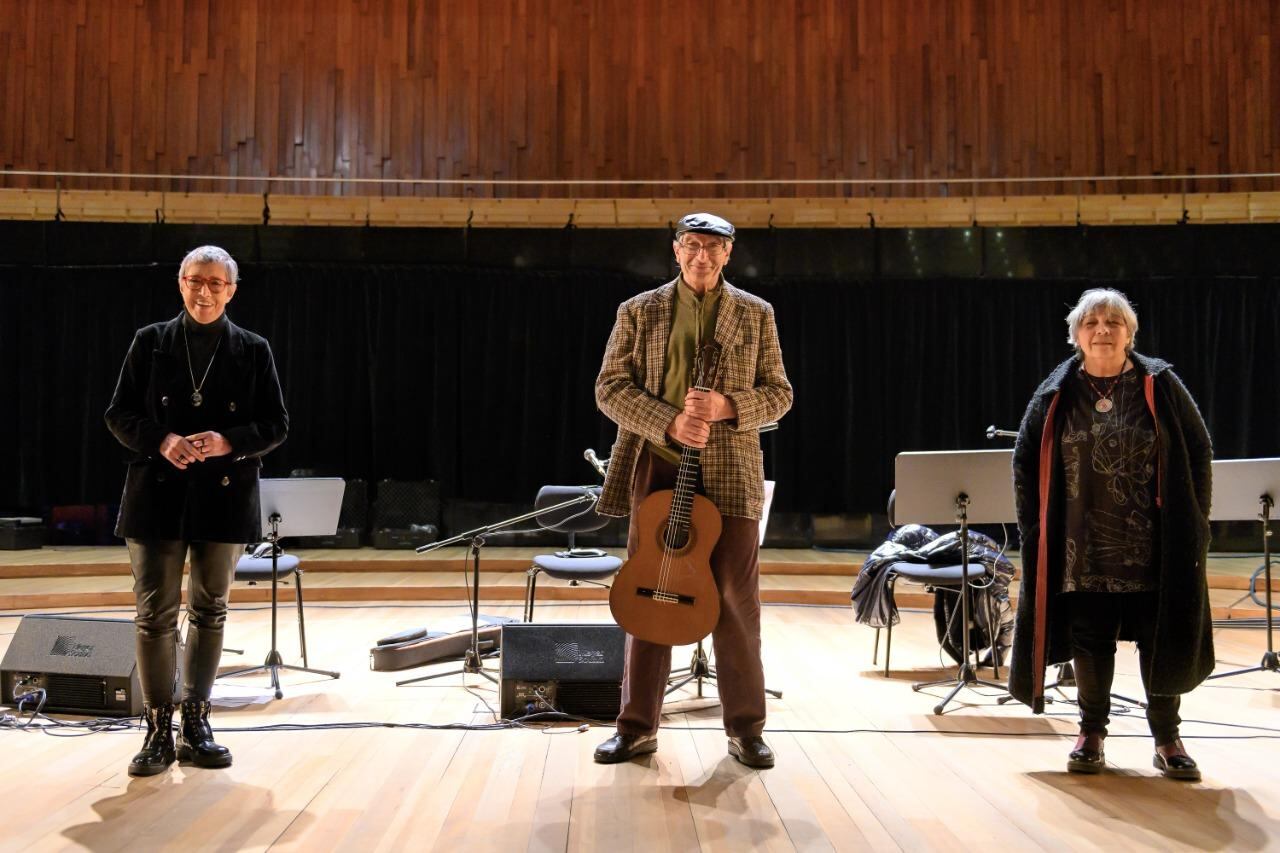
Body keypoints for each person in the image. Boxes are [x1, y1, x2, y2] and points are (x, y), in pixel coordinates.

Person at [592, 213, 793, 768]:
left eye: (714, 247)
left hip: (731, 474)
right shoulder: (638, 311)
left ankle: (746, 729)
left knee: (734, 600)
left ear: (729, 253)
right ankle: (635, 727)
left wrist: (729, 408)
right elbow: (609, 389)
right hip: (657, 467)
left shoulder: (756, 314)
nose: (702, 256)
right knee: (648, 593)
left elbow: (779, 394)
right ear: (676, 250)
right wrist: (667, 423)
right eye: (693, 245)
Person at [1008, 288, 1213, 781]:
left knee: (1158, 635)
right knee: (1089, 637)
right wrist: (1035, 530)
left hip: (1154, 544)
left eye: (1114, 322)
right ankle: (1090, 734)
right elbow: (1023, 461)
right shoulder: (1055, 391)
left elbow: (1198, 451)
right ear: (1076, 334)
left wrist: (1195, 523)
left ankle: (1167, 738)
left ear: (1130, 332)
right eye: (1092, 322)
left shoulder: (1160, 383)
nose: (1103, 329)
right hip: (1080, 545)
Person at [105, 245, 288, 777]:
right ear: (180, 284)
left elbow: (276, 425)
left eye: (215, 283)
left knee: (211, 611)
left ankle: (197, 722)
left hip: (225, 495)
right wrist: (161, 439)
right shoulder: (149, 342)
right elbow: (118, 413)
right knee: (154, 615)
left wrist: (229, 442)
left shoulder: (253, 349)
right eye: (195, 281)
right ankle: (158, 728)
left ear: (231, 290)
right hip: (156, 493)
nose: (203, 292)